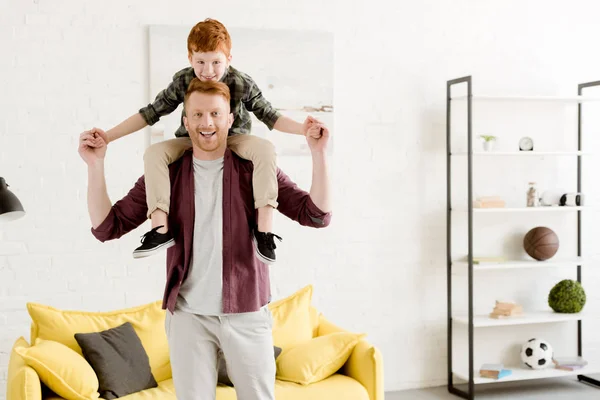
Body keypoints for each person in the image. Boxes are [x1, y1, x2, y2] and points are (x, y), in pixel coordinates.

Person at [78, 79, 332, 400]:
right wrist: (95, 165)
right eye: (197, 115)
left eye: (215, 113)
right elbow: (107, 226)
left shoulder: (254, 167)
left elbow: (316, 214)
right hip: (187, 318)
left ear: (230, 119)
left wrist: (319, 154)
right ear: (185, 121)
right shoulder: (167, 173)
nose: (206, 122)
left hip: (247, 313)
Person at [89, 18, 319, 263]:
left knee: (265, 149)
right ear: (190, 58)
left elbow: (270, 115)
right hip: (193, 140)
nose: (208, 71)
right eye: (200, 62)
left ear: (228, 59)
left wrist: (302, 130)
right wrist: (109, 136)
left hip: (235, 139)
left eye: (216, 63)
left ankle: (263, 231)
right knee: (154, 153)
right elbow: (150, 113)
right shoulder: (183, 80)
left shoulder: (241, 82)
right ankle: (160, 229)